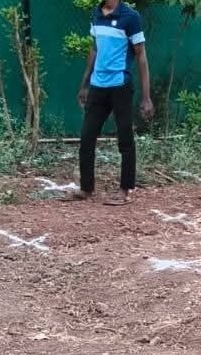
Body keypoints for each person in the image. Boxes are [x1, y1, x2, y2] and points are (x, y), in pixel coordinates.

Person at [67, 0, 154, 205]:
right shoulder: (96, 14)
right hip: (97, 85)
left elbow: (141, 55)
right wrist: (84, 84)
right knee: (87, 137)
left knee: (125, 139)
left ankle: (124, 190)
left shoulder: (130, 17)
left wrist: (146, 97)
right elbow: (94, 50)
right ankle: (86, 188)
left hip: (120, 85)